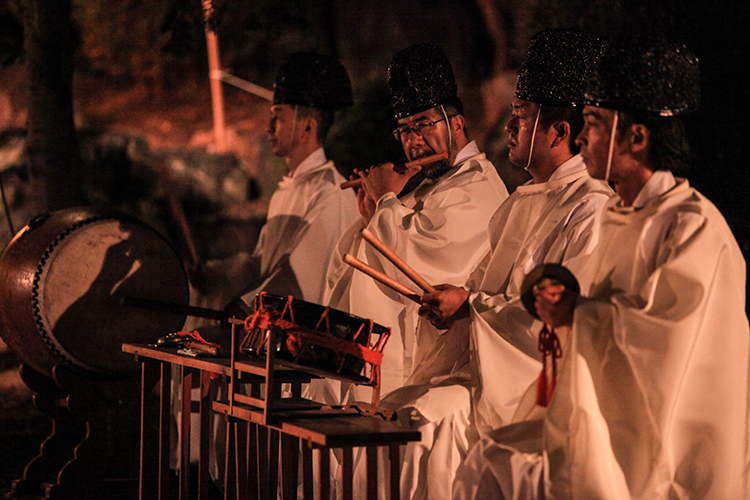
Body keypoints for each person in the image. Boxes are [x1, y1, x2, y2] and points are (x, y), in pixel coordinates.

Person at [454, 37, 750, 500]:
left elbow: (668, 348)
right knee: (489, 460)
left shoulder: (693, 227)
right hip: (606, 413)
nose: (583, 138)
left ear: (636, 137)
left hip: (669, 445)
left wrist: (577, 314)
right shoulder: (619, 215)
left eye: (594, 124)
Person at [384, 29, 613, 500]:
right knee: (396, 406)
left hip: (534, 389)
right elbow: (484, 287)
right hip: (490, 373)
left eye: (521, 117)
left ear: (559, 132)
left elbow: (560, 322)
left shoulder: (590, 208)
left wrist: (471, 308)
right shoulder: (524, 202)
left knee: (425, 421)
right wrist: (454, 301)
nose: (509, 128)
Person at [322, 43, 509, 405]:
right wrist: (371, 214)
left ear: (456, 123)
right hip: (368, 356)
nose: (413, 141)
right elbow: (379, 248)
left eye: (423, 124)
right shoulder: (429, 183)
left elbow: (417, 266)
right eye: (404, 130)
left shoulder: (478, 188)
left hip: (411, 368)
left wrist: (387, 202)